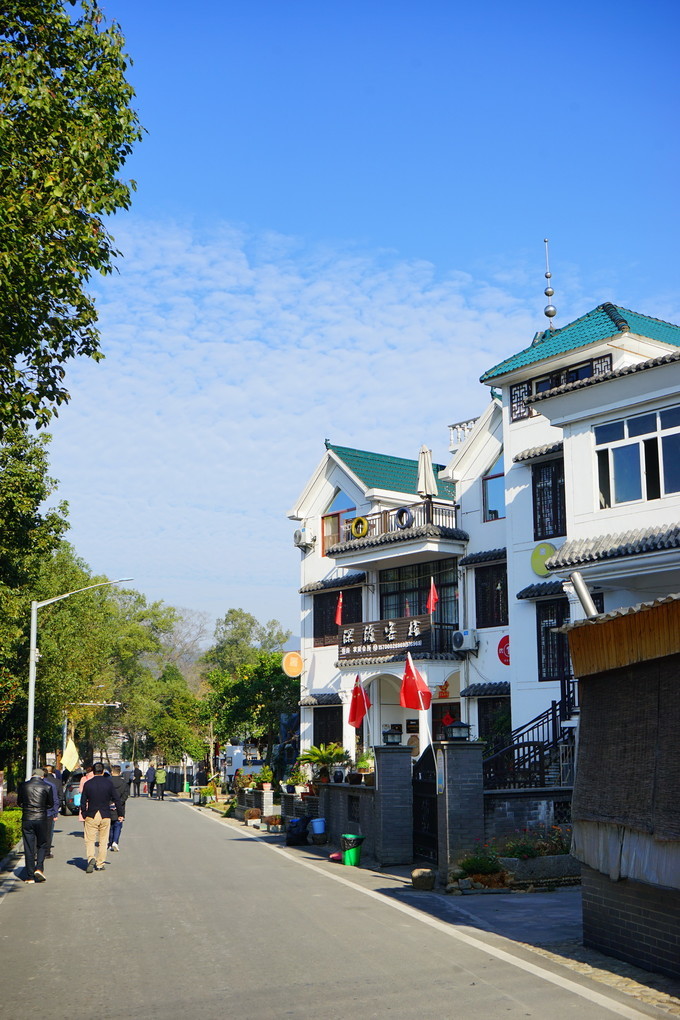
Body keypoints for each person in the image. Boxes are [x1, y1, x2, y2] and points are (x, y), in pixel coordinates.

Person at [80, 762, 123, 873]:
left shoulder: (88, 784)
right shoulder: (108, 784)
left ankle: (91, 858)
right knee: (103, 840)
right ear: (103, 771)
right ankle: (100, 863)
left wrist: (84, 813)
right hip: (105, 814)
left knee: (89, 839)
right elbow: (116, 799)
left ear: (93, 771)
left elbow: (83, 800)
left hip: (92, 814)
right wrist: (120, 814)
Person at [18, 768, 53, 883]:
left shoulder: (23, 786)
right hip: (41, 818)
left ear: (32, 775)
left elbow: (19, 802)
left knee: (28, 846)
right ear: (42, 776)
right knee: (42, 844)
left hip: (27, 818)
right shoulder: (47, 787)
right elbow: (50, 804)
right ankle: (39, 868)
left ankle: (29, 876)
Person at [107, 765, 129, 852]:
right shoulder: (124, 783)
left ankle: (110, 843)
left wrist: (110, 802)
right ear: (120, 773)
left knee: (109, 826)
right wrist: (118, 803)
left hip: (108, 806)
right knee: (118, 825)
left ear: (112, 772)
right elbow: (125, 795)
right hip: (120, 807)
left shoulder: (107, 782)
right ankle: (115, 842)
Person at [42, 765, 61, 858]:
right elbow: (59, 797)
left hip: (37, 811)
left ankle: (37, 850)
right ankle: (47, 850)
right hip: (50, 811)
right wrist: (56, 811)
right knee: (49, 832)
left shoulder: (36, 783)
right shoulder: (56, 782)